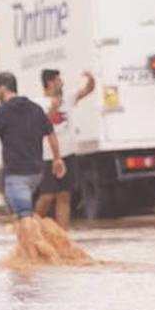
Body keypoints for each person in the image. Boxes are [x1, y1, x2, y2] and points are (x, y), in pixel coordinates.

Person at [0, 72, 66, 250]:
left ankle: (35, 255)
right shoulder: (35, 108)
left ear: (2, 88)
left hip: (16, 174)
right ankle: (30, 250)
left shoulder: (4, 112)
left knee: (24, 216)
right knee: (22, 215)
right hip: (36, 172)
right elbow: (50, 132)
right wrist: (57, 159)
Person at [35, 68, 95, 228]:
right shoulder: (38, 103)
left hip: (68, 153)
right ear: (50, 82)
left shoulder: (67, 97)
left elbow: (87, 90)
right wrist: (53, 108)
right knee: (47, 195)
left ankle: (63, 232)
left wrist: (91, 79)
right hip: (48, 157)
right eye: (59, 80)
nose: (62, 83)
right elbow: (42, 124)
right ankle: (33, 227)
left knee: (65, 195)